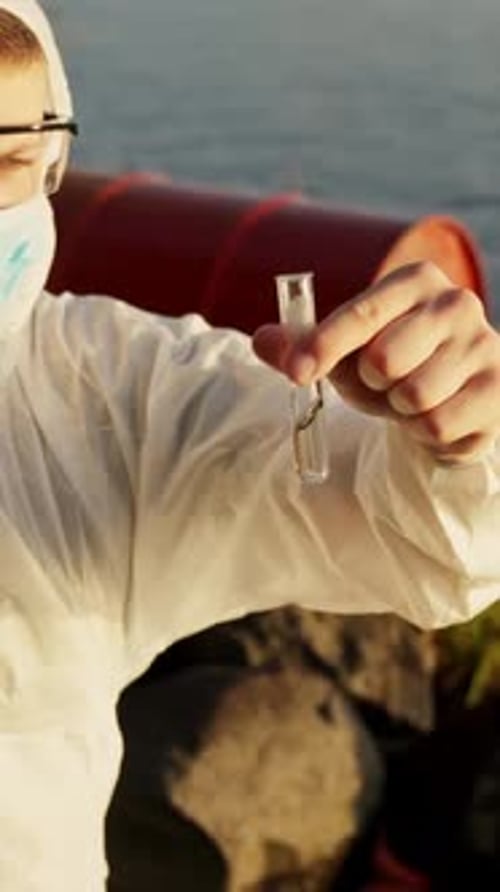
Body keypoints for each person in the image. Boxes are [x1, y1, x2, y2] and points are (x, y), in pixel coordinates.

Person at [0, 2, 499, 890]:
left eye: (6, 161)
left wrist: (456, 437)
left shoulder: (99, 402)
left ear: (52, 165)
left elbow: (418, 535)